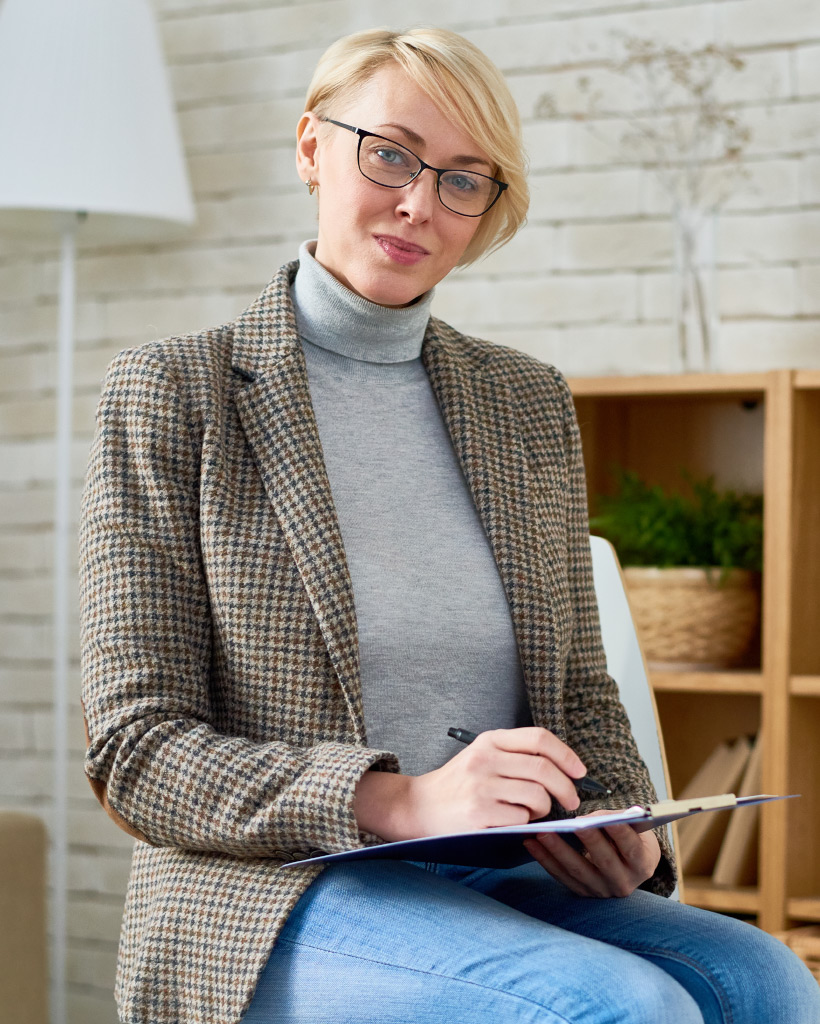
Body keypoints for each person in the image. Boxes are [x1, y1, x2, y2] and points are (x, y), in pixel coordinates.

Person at [79, 25, 820, 1024]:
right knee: (616, 1006)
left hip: (501, 873)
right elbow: (136, 747)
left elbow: (581, 692)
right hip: (269, 891)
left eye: (464, 180)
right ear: (311, 147)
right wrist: (397, 801)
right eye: (389, 154)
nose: (419, 203)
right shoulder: (176, 391)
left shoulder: (523, 400)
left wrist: (625, 830)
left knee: (764, 978)